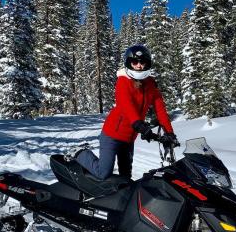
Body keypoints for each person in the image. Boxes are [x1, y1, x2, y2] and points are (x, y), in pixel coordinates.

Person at [74, 45, 177, 180]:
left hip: (129, 139)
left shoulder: (151, 83)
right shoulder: (123, 81)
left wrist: (169, 133)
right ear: (129, 63)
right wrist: (139, 125)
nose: (139, 65)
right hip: (112, 135)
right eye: (135, 62)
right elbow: (127, 106)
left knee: (126, 177)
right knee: (103, 173)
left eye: (142, 62)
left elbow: (160, 109)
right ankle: (80, 153)